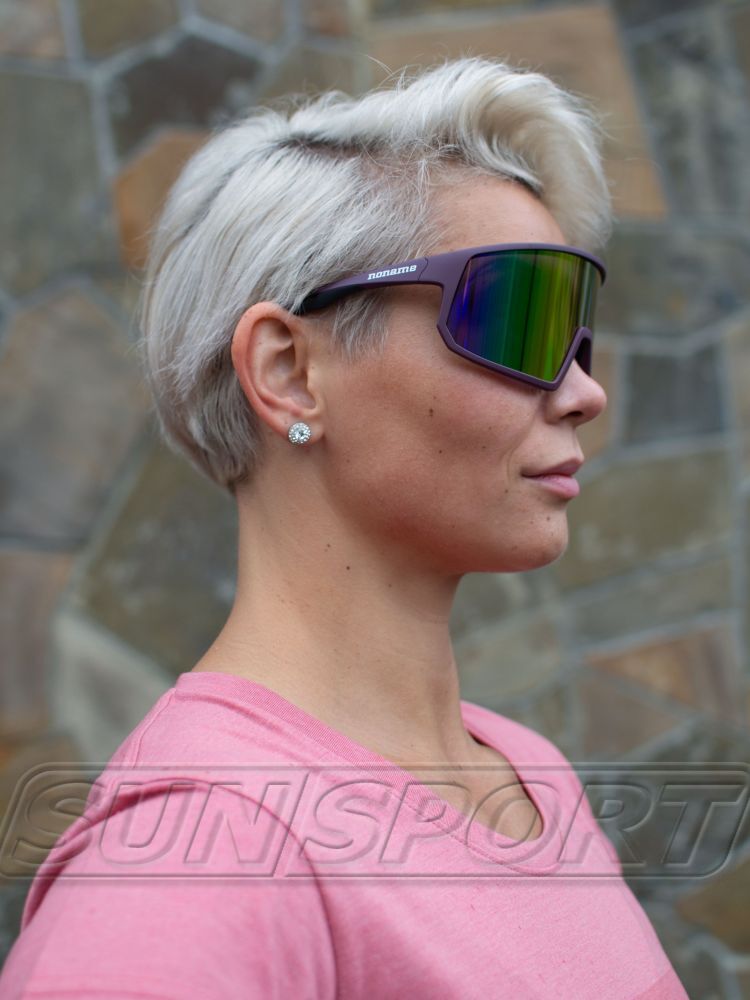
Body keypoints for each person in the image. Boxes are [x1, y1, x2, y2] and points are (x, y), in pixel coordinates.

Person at [0, 57, 689, 998]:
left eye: (578, 327)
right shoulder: (199, 859)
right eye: (518, 315)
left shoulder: (531, 775)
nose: (583, 392)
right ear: (288, 373)